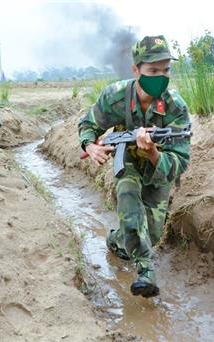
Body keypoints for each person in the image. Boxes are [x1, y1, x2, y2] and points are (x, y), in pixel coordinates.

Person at [78, 35, 191, 298]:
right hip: (125, 159)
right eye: (153, 71)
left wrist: (152, 152)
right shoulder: (115, 96)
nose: (161, 77)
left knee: (149, 234)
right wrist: (90, 146)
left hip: (157, 167)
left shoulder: (175, 108)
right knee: (128, 198)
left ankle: (116, 240)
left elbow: (179, 164)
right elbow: (88, 125)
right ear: (136, 70)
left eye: (166, 70)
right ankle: (145, 272)